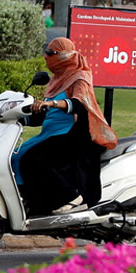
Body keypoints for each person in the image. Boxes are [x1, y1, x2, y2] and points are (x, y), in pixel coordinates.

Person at [12, 37, 118, 216]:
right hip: (51, 133)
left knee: (33, 159)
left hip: (72, 135)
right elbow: (46, 115)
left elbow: (78, 104)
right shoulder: (57, 80)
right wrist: (17, 119)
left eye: (51, 53)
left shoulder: (80, 77)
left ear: (64, 56)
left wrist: (51, 104)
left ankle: (72, 196)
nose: (46, 57)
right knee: (16, 155)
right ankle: (28, 201)